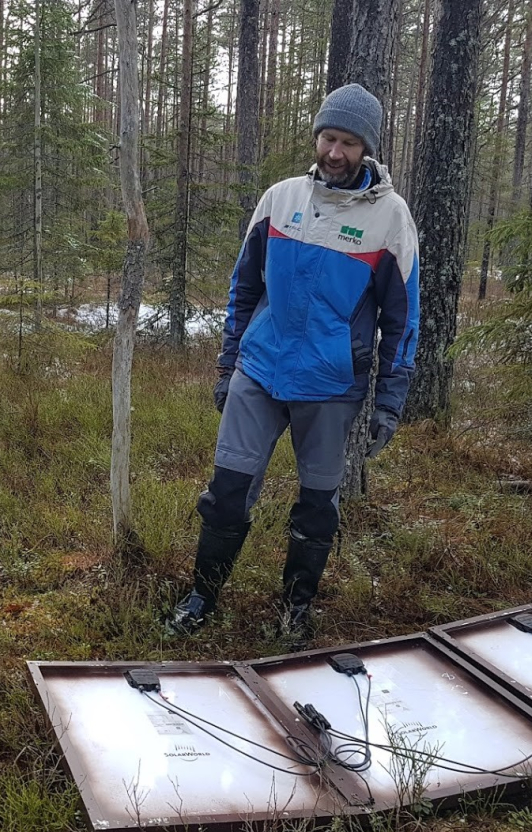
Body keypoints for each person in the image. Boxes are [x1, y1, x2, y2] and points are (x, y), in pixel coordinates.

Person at [166, 83, 420, 643]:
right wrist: (228, 365)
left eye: (350, 143)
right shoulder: (280, 199)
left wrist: (390, 400)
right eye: (329, 138)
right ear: (317, 137)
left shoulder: (390, 219)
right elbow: (244, 288)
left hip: (331, 386)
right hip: (259, 371)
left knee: (316, 504)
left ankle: (294, 612)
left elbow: (403, 319)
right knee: (227, 491)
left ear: (366, 149)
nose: (336, 152)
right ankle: (201, 597)